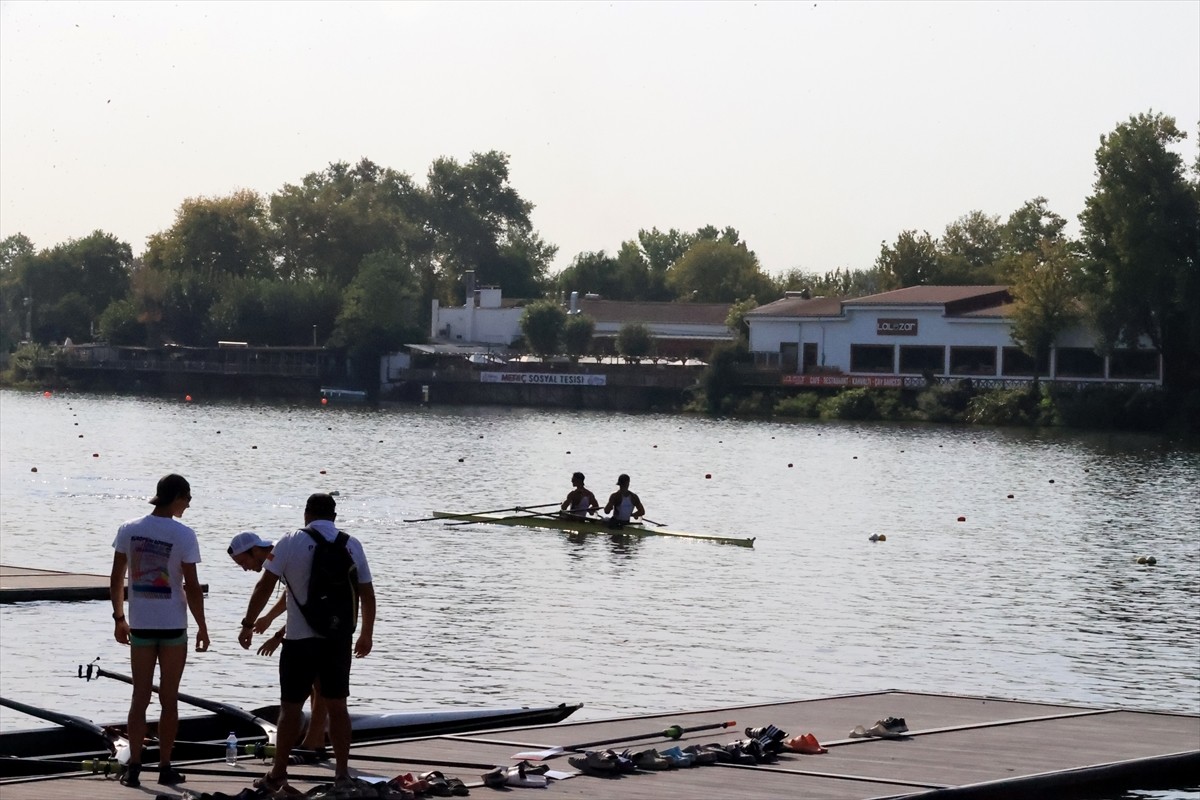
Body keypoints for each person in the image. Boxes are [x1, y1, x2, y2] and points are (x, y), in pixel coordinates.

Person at [237, 493, 375, 795]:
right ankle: (341, 775)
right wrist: (366, 634)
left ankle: (278, 774)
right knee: (339, 708)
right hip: (338, 640)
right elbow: (366, 592)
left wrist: (249, 623)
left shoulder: (290, 540)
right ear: (334, 516)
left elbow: (265, 585)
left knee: (290, 708)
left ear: (306, 514)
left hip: (300, 642)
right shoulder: (352, 544)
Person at [109, 473, 210, 788]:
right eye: (188, 498)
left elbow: (116, 578)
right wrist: (203, 626)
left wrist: (118, 618)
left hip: (140, 625)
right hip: (172, 627)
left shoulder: (129, 529)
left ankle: (135, 768)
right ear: (177, 496)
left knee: (139, 697)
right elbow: (192, 587)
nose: (190, 504)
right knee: (169, 699)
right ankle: (165, 767)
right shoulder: (184, 534)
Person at [227, 531, 329, 759]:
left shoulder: (278, 553)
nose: (245, 568)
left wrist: (270, 633)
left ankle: (314, 742)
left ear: (255, 550)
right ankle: (316, 738)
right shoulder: (281, 554)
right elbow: (289, 594)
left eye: (244, 562)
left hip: (317, 625)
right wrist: (269, 618)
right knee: (316, 685)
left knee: (318, 686)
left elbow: (295, 598)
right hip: (321, 623)